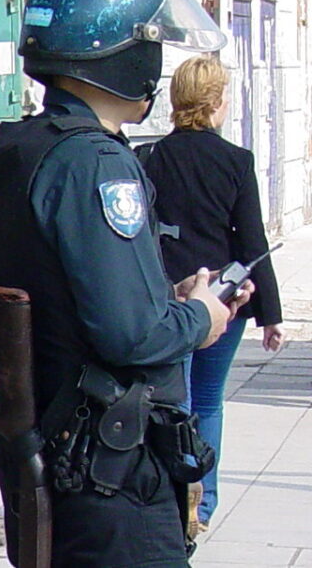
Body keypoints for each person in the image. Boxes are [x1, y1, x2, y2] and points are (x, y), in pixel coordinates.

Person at [0, 0, 250, 565]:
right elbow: (130, 334)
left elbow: (69, 291)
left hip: (52, 441)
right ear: (129, 52)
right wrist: (200, 317)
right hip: (109, 471)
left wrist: (167, 296)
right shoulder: (97, 162)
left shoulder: (23, 142)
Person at [135, 54, 284, 534]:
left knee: (171, 401)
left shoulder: (148, 157)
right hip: (224, 298)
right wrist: (270, 314)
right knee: (209, 401)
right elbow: (252, 241)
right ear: (218, 103)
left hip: (169, 300)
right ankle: (207, 499)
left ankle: (173, 495)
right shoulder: (236, 160)